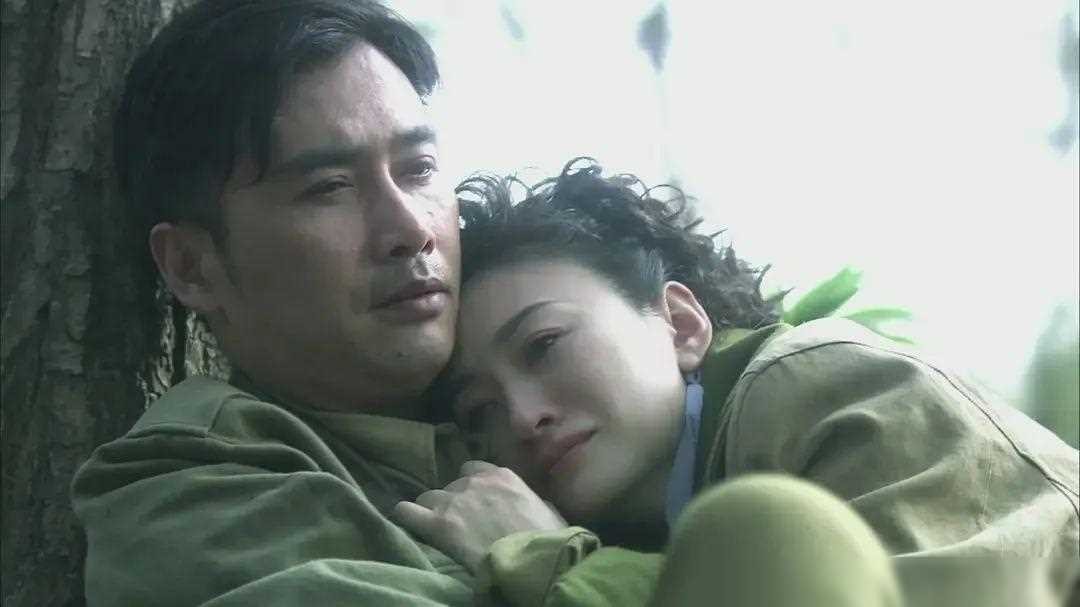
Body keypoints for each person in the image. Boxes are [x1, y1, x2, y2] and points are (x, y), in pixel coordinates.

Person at [394, 159, 1080, 607]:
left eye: (544, 345)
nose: (522, 416)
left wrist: (554, 563)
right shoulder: (640, 518)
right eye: (478, 409)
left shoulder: (817, 383)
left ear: (681, 324)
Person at [69, 1, 569, 605]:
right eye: (330, 187)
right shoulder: (194, 501)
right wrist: (554, 566)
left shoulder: (551, 383)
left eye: (419, 169)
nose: (411, 230)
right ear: (192, 267)